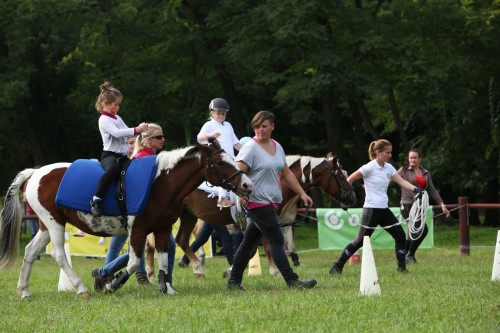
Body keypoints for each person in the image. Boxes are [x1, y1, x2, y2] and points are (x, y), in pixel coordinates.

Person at [226, 110, 317, 290]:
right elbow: (236, 174)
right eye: (257, 127)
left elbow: (287, 173)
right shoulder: (250, 148)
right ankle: (292, 281)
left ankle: (233, 282)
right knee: (277, 241)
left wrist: (302, 193)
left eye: (264, 126)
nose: (260, 130)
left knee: (248, 244)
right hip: (257, 202)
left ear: (272, 127)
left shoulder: (277, 146)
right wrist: (241, 195)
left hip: (271, 202)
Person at [92, 123, 176, 290]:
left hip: (144, 213)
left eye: (163, 136)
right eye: (159, 137)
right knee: (129, 249)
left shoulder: (151, 157)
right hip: (138, 214)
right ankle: (104, 273)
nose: (163, 140)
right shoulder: (142, 159)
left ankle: (105, 274)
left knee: (163, 246)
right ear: (148, 140)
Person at [329, 139, 425, 275]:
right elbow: (349, 179)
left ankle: (402, 268)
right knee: (359, 241)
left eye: (390, 152)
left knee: (400, 236)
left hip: (384, 210)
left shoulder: (389, 168)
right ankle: (337, 266)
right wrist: (345, 199)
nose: (390, 155)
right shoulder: (368, 167)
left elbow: (402, 181)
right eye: (387, 152)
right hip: (371, 210)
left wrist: (416, 190)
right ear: (378, 153)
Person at [90, 81, 148, 216]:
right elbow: (117, 133)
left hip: (122, 156)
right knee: (113, 170)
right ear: (105, 103)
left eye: (118, 105)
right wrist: (136, 129)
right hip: (110, 155)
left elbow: (127, 130)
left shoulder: (117, 117)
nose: (117, 107)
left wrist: (142, 131)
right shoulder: (104, 119)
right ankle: (97, 198)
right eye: (115, 105)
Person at [398, 148, 450, 264]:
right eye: (410, 157)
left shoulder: (425, 172)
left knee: (411, 232)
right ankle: (410, 254)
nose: (412, 160)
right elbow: (391, 180)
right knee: (422, 229)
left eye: (415, 157)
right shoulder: (403, 170)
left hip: (419, 205)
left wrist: (442, 204)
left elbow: (431, 189)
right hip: (407, 204)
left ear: (419, 158)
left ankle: (405, 257)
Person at [197, 98, 241, 208]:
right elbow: (199, 138)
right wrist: (210, 136)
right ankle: (222, 198)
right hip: (217, 158)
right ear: (211, 113)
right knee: (223, 174)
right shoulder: (209, 125)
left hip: (230, 158)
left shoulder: (228, 126)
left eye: (223, 113)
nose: (221, 116)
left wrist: (248, 151)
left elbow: (236, 143)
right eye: (218, 113)